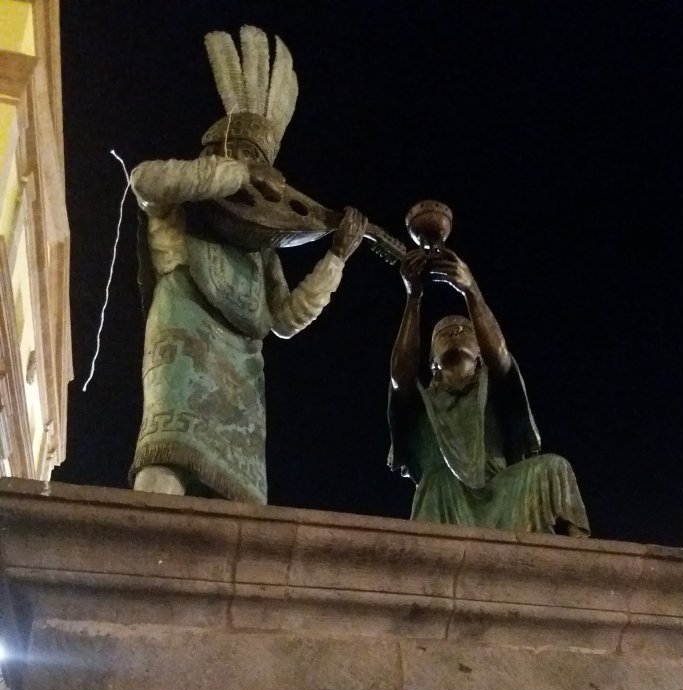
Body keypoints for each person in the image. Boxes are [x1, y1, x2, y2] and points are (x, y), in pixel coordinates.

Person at [129, 26, 367, 502]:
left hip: (242, 368)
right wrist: (235, 174)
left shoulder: (260, 246)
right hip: (183, 342)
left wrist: (336, 258)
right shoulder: (180, 205)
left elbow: (283, 319)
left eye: (262, 163)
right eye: (244, 155)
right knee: (165, 462)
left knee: (236, 502)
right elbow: (144, 180)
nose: (261, 178)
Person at [388, 247, 590, 535]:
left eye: (463, 330)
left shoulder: (494, 383)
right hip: (445, 491)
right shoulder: (423, 401)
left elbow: (500, 355)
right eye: (444, 333)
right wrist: (413, 296)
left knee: (556, 467)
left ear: (480, 353)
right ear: (432, 362)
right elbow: (400, 377)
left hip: (502, 487)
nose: (454, 333)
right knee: (437, 481)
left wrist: (471, 290)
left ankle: (577, 555)